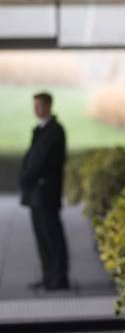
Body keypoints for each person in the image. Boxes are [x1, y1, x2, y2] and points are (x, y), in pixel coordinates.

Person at [19, 92, 69, 291]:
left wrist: (27, 176)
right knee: (41, 236)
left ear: (48, 106)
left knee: (52, 235)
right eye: (35, 106)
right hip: (36, 193)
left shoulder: (55, 131)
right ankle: (48, 276)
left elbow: (43, 161)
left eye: (39, 106)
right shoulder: (41, 129)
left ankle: (59, 277)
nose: (36, 110)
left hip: (46, 192)